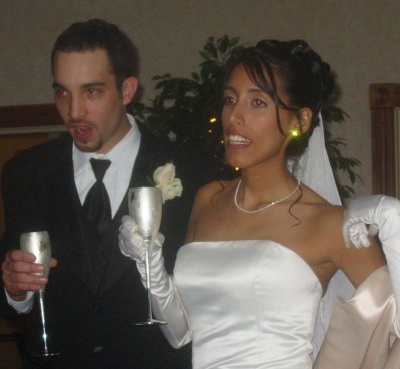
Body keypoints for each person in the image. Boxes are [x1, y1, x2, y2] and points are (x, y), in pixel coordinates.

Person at [119, 39, 400, 368]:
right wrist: (149, 265)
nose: (234, 117)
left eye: (257, 102)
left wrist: (394, 222)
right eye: (230, 99)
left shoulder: (329, 223)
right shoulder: (209, 199)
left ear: (300, 121)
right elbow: (181, 333)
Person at [0, 19, 220, 368]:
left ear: (127, 90)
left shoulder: (195, 174)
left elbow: (213, 301)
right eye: (62, 92)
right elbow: (11, 304)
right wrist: (14, 290)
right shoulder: (25, 173)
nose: (74, 112)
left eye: (91, 92)